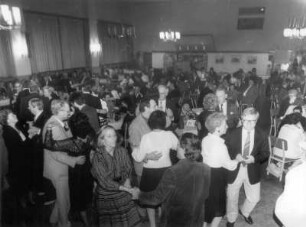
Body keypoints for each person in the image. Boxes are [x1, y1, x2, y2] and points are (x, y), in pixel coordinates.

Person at [133, 133, 211, 227]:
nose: (176, 148)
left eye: (178, 145)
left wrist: (139, 195)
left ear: (184, 149)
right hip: (196, 220)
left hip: (176, 220)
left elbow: (156, 198)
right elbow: (205, 195)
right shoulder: (206, 168)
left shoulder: (173, 171)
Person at [132, 110, 182, 227]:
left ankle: (153, 225)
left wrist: (135, 149)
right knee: (164, 199)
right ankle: (163, 222)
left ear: (150, 123)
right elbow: (178, 147)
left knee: (150, 201)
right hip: (166, 171)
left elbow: (138, 158)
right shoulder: (169, 135)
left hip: (150, 172)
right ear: (164, 123)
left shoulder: (146, 137)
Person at [42, 99, 86, 227]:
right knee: (64, 202)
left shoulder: (57, 122)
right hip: (58, 169)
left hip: (57, 168)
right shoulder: (54, 127)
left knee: (61, 198)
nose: (69, 113)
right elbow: (55, 153)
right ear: (58, 111)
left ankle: (53, 220)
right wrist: (75, 160)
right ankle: (63, 223)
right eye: (67, 111)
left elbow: (66, 140)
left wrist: (67, 125)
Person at [225, 107, 269, 227]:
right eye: (246, 120)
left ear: (257, 121)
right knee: (232, 197)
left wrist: (254, 159)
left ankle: (244, 211)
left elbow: (266, 153)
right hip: (235, 168)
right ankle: (231, 218)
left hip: (252, 169)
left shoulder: (262, 134)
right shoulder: (232, 132)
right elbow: (226, 149)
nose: (249, 124)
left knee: (255, 198)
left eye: (253, 121)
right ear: (242, 119)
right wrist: (235, 155)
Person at [91, 125, 141, 227]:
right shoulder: (98, 156)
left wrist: (127, 181)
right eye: (109, 136)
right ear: (102, 140)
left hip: (123, 188)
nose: (114, 138)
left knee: (131, 222)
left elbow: (128, 167)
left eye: (114, 135)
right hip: (107, 193)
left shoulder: (122, 150)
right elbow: (104, 181)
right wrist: (127, 189)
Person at [202, 112, 241, 227]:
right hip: (216, 178)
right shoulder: (220, 146)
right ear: (218, 128)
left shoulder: (205, 139)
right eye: (225, 124)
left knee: (207, 207)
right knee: (218, 211)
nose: (227, 126)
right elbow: (230, 165)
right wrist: (238, 159)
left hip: (205, 174)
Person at [0, 109, 31, 224]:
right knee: (17, 191)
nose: (15, 115)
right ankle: (19, 217)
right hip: (16, 167)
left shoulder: (17, 127)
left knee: (22, 189)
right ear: (7, 119)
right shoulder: (7, 132)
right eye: (12, 115)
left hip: (23, 164)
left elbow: (24, 141)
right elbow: (16, 150)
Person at [274, 142, 306, 227]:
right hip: (293, 214)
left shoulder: (294, 173)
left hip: (277, 153)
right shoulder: (296, 174)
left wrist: (291, 168)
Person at [129, 98, 160, 185]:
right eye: (154, 106)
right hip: (144, 168)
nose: (157, 107)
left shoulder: (152, 119)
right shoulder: (135, 126)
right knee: (145, 195)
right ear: (146, 108)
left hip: (154, 165)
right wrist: (147, 156)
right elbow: (135, 150)